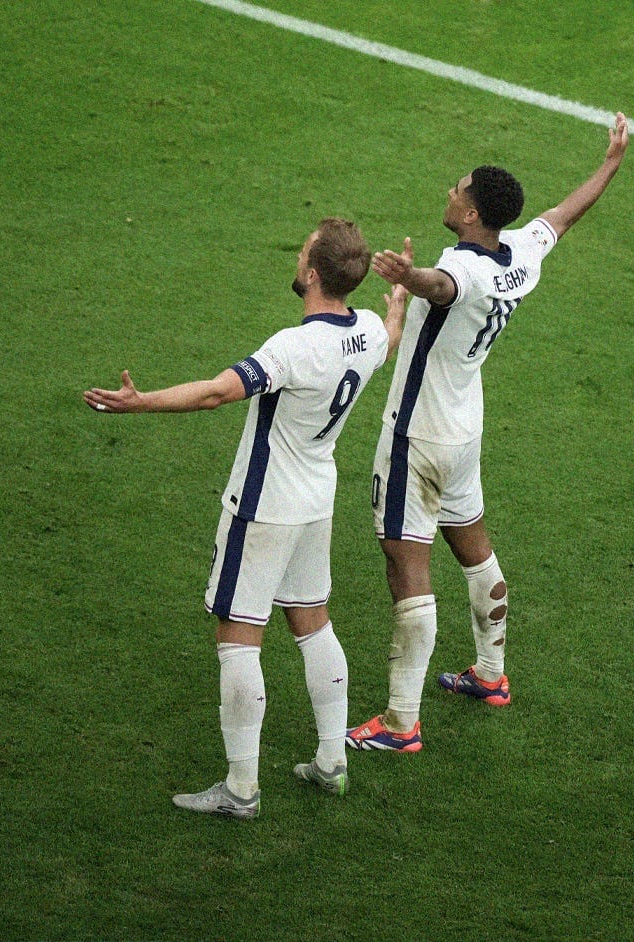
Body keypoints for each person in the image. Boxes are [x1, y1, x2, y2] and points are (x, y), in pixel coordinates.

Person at [84, 218, 406, 817]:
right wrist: (396, 307)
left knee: (238, 636)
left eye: (305, 245)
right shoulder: (365, 331)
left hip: (264, 504)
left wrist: (139, 402)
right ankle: (333, 761)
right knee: (313, 622)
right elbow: (388, 340)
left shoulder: (292, 347)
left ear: (311, 274)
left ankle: (240, 788)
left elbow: (215, 392)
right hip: (316, 499)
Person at [345, 113, 631, 752]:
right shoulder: (520, 255)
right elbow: (564, 215)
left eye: (458, 189)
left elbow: (440, 286)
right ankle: (491, 675)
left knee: (405, 563)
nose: (450, 191)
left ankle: (400, 723)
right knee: (471, 543)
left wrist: (403, 277)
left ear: (472, 215)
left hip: (416, 434)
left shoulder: (465, 272)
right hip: (464, 428)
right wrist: (609, 164)